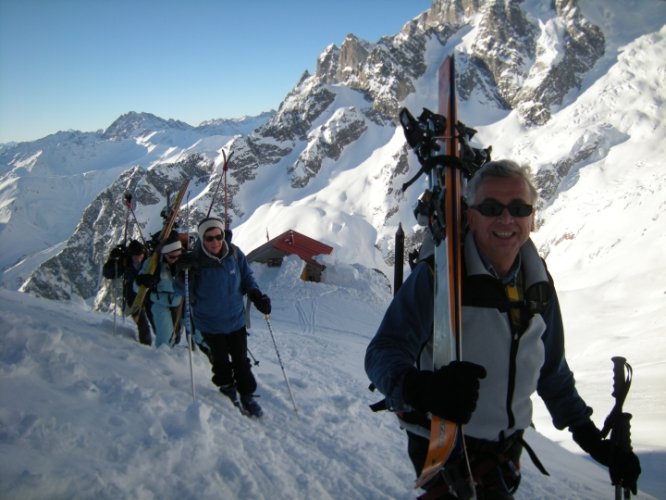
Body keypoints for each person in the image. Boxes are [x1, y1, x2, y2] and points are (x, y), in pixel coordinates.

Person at [365, 160, 641, 498]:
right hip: (441, 446)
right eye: (492, 208)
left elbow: (552, 371)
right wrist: (418, 389)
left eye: (519, 208)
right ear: (470, 215)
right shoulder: (439, 276)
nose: (507, 219)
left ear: (532, 218)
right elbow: (383, 351)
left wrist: (588, 436)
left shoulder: (537, 285)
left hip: (507, 451)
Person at [177, 217, 271, 417]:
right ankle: (227, 388)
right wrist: (180, 272)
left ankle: (247, 395)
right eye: (209, 238)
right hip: (210, 324)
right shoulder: (195, 261)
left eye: (218, 236)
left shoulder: (235, 254)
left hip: (235, 321)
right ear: (202, 239)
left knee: (241, 362)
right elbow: (182, 289)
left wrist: (255, 294)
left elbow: (247, 277)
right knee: (220, 362)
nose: (215, 242)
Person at [135, 232, 184, 348]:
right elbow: (136, 288)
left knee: (176, 336)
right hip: (159, 303)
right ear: (164, 254)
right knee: (164, 338)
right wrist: (142, 281)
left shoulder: (184, 262)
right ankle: (163, 360)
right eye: (172, 257)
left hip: (179, 302)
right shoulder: (153, 263)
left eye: (179, 255)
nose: (176, 259)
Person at [102, 239, 153, 346]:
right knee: (143, 324)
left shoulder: (149, 260)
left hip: (148, 297)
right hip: (133, 299)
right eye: (135, 256)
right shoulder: (126, 262)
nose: (138, 259)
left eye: (140, 255)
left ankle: (157, 348)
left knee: (155, 323)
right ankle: (147, 347)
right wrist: (113, 260)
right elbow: (108, 273)